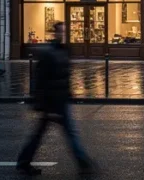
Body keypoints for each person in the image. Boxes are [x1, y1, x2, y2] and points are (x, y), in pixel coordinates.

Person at [16, 22, 93, 176]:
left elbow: (65, 76)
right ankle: (83, 163)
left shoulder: (65, 51)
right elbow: (40, 81)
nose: (63, 35)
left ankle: (83, 162)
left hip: (61, 100)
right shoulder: (48, 53)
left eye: (65, 32)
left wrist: (69, 93)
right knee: (42, 134)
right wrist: (44, 105)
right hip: (51, 102)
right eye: (61, 32)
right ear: (55, 33)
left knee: (66, 132)